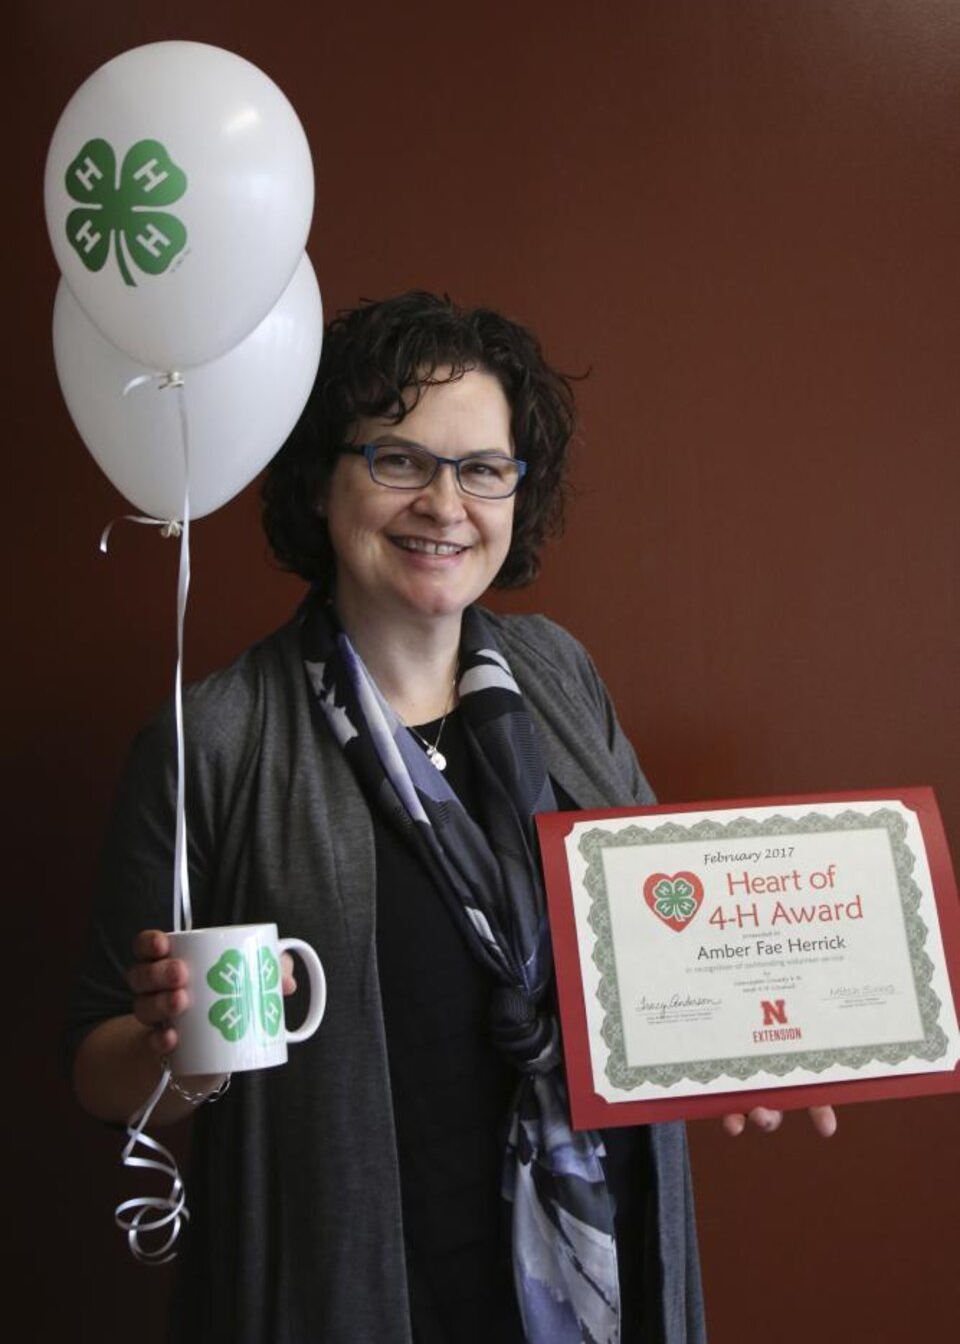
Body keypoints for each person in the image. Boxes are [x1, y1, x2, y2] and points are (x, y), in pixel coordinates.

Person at [67, 291, 834, 1344]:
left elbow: (673, 941)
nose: (445, 503)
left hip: (604, 1278)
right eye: (398, 459)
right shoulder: (218, 738)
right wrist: (179, 1056)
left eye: (482, 468)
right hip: (360, 1292)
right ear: (322, 478)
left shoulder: (558, 673)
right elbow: (97, 1067)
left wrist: (750, 1042)